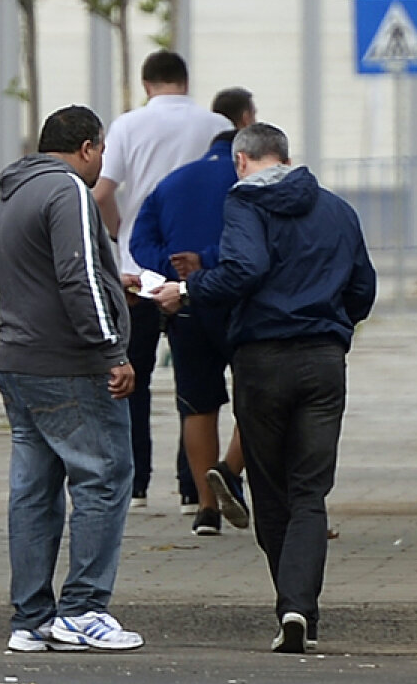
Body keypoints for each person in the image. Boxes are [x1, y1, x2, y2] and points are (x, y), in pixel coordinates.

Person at [156, 123, 376, 654]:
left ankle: (290, 605)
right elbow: (363, 289)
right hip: (323, 362)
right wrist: (333, 326)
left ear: (241, 162)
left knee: (272, 492)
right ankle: (301, 606)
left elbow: (244, 268)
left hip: (261, 361)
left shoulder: (245, 204)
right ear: (285, 156)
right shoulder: (337, 210)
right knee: (310, 491)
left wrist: (188, 291)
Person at [0, 105, 144, 653]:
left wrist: (108, 278)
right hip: (69, 365)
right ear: (87, 147)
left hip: (18, 360)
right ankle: (83, 608)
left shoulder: (14, 194)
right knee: (104, 475)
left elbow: (47, 273)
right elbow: (76, 276)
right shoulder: (69, 191)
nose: (102, 161)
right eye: (101, 151)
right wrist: (112, 351)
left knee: (33, 490)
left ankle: (31, 618)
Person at [93, 51, 231, 513]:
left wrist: (117, 235)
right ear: (185, 81)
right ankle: (194, 490)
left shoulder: (129, 125)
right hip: (197, 270)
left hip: (139, 266)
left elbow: (103, 192)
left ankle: (135, 484)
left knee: (135, 373)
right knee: (196, 380)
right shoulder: (213, 124)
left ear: (147, 83)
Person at [129, 86, 258, 535]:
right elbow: (264, 245)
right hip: (245, 305)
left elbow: (139, 242)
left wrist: (176, 271)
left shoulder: (173, 181)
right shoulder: (251, 182)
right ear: (245, 126)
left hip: (187, 306)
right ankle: (230, 471)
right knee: (256, 401)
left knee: (197, 405)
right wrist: (209, 259)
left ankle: (206, 508)